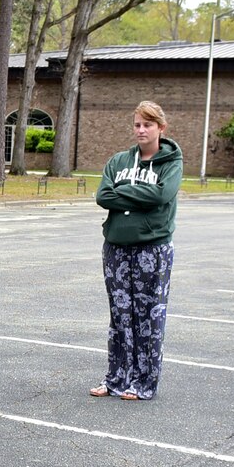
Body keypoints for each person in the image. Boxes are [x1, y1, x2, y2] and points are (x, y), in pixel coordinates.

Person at [90, 102, 183, 400]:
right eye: (137, 124)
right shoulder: (119, 161)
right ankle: (117, 378)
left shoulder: (171, 161)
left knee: (148, 316)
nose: (141, 130)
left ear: (161, 128)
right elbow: (103, 195)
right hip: (116, 248)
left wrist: (124, 193)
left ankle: (144, 382)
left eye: (148, 125)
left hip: (152, 250)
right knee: (120, 316)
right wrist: (140, 199)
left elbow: (162, 194)